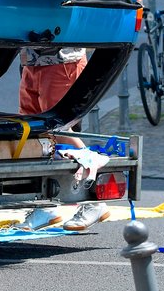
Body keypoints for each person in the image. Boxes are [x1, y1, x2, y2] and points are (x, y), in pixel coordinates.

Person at [15, 46, 108, 232]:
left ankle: (95, 201)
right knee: (33, 134)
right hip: (32, 61)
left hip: (62, 62)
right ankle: (44, 205)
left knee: (59, 129)